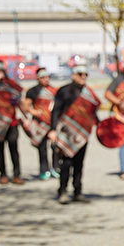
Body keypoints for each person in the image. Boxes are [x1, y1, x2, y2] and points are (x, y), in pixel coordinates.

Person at [48, 65, 100, 204]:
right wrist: (52, 130)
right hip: (66, 132)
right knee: (66, 163)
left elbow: (93, 113)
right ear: (73, 75)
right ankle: (63, 191)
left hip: (82, 133)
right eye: (80, 74)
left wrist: (101, 125)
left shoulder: (88, 93)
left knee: (79, 163)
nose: (83, 76)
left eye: (85, 74)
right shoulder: (64, 90)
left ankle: (78, 192)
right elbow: (55, 111)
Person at [22, 67, 60, 180]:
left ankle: (56, 168)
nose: (46, 79)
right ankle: (44, 170)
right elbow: (25, 105)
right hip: (39, 123)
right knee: (42, 147)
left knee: (55, 146)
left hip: (52, 121)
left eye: (48, 77)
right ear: (38, 78)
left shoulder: (54, 90)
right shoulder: (33, 91)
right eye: (44, 77)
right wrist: (34, 112)